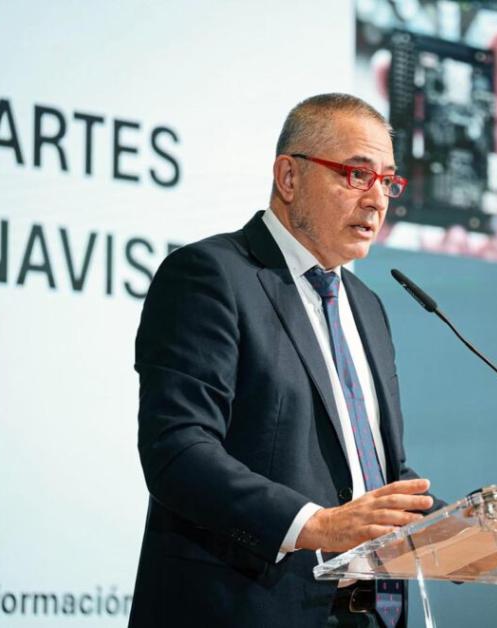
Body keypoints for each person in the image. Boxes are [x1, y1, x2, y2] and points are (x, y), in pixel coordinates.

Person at [128, 93, 439, 628]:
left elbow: (374, 474)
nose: (377, 200)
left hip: (367, 615)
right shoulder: (210, 276)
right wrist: (316, 525)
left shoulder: (368, 306)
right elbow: (177, 450)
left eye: (388, 181)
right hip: (242, 608)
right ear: (289, 177)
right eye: (356, 174)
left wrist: (456, 534)